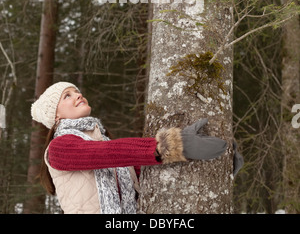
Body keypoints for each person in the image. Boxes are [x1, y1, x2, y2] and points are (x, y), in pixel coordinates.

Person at [31, 81, 241, 214]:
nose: (78, 95)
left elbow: (149, 177)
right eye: (67, 95)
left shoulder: (104, 144)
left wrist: (214, 171)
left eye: (77, 91)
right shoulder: (59, 147)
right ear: (55, 116)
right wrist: (172, 144)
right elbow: (105, 154)